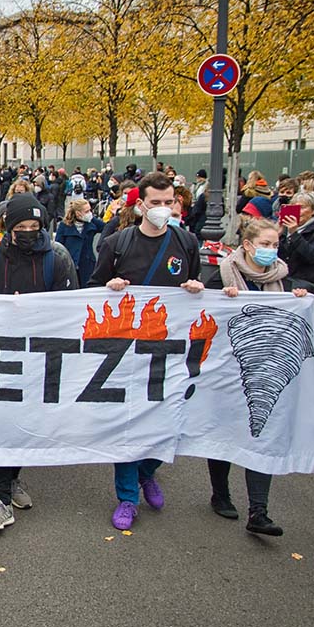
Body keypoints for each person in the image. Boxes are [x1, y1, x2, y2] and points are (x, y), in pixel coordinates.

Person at [88, 171, 204, 531]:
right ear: (140, 205)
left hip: (170, 350)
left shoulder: (186, 242)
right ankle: (127, 498)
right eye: (155, 203)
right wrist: (110, 286)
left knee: (171, 421)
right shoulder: (118, 243)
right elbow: (91, 289)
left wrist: (198, 287)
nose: (163, 209)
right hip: (126, 351)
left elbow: (198, 286)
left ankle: (146, 471)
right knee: (129, 425)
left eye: (169, 202)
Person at [0, 194, 78, 530]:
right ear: (9, 227)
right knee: (3, 425)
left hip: (39, 359)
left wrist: (35, 313)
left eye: (35, 226)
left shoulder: (57, 259)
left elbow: (68, 308)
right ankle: (0, 498)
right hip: (0, 358)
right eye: (22, 227)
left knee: (23, 425)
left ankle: (13, 478)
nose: (29, 232)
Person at [205, 218, 308, 536]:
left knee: (262, 434)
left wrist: (301, 302)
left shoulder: (285, 283)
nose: (271, 250)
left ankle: (258, 510)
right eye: (265, 244)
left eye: (275, 244)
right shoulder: (219, 278)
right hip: (226, 371)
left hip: (267, 373)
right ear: (247, 245)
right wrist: (219, 300)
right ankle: (220, 494)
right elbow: (203, 319)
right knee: (224, 434)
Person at [277, 192, 314, 294]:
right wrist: (276, 234)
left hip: (303, 283)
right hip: (279, 280)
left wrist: (294, 234)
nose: (298, 211)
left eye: (302, 208)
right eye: (294, 207)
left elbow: (313, 256)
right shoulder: (284, 228)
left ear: (313, 211)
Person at [56, 198, 103, 287]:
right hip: (70, 264)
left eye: (90, 210)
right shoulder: (64, 225)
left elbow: (106, 227)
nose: (90, 213)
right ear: (78, 213)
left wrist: (92, 219)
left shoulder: (91, 224)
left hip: (87, 264)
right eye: (87, 211)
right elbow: (59, 245)